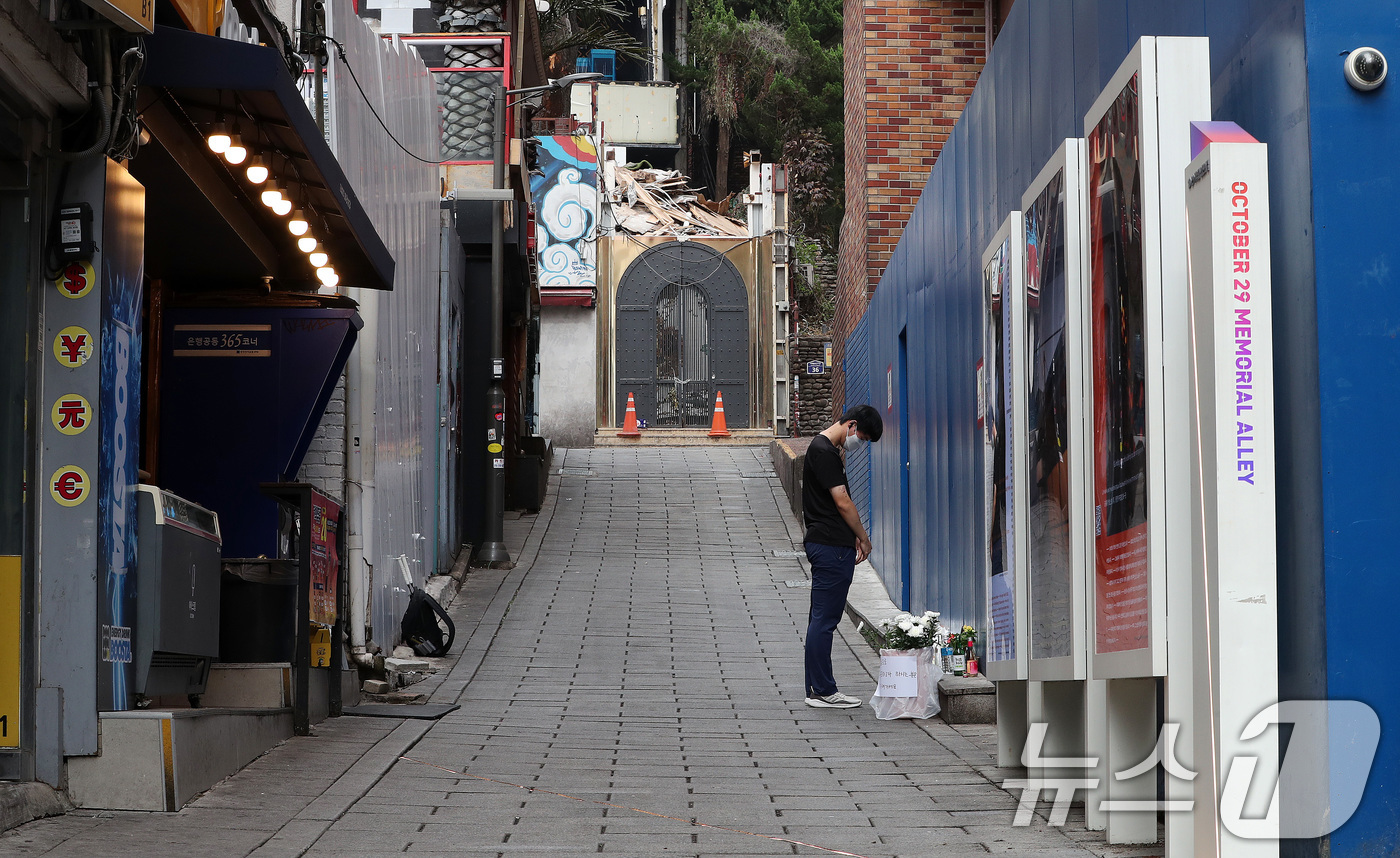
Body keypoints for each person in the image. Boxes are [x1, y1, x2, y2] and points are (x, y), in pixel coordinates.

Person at [801, 404, 883, 708]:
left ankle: (817, 688)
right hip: (832, 547)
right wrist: (863, 537)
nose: (859, 443)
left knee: (819, 618)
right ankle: (823, 690)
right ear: (851, 425)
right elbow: (843, 501)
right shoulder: (824, 451)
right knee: (825, 620)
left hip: (827, 545)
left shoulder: (825, 450)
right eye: (861, 436)